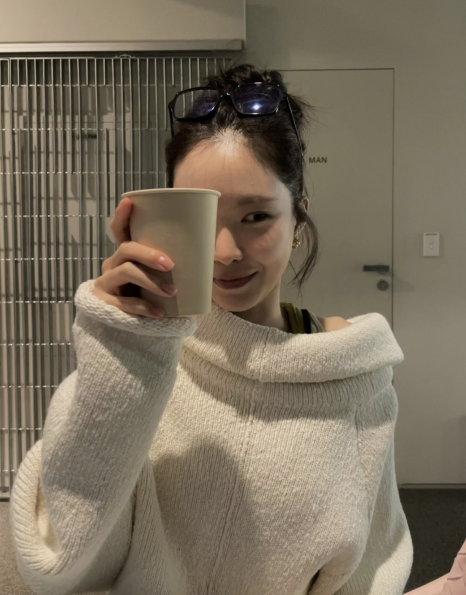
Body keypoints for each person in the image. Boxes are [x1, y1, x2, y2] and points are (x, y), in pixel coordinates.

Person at [9, 63, 413, 595]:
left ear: (298, 220)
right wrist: (121, 345)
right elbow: (62, 563)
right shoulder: (138, 353)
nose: (225, 252)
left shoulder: (349, 368)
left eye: (256, 217)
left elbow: (371, 569)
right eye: (200, 219)